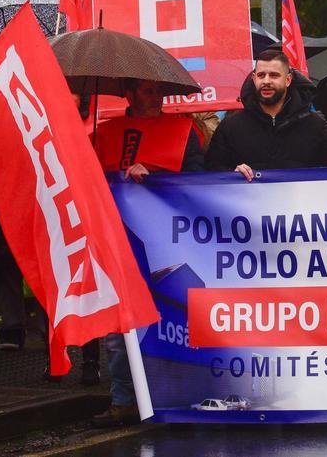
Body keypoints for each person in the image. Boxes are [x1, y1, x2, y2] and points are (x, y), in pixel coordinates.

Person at [93, 78, 204, 427]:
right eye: (147, 91)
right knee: (120, 327)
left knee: (175, 319)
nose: (155, 97)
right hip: (121, 240)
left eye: (158, 91)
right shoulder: (105, 134)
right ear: (129, 94)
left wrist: (155, 176)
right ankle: (124, 399)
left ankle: (179, 395)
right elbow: (91, 182)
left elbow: (199, 182)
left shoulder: (184, 131)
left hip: (172, 244)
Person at [206, 49, 327, 177]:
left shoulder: (315, 125)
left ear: (288, 80)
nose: (266, 81)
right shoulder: (231, 126)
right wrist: (232, 174)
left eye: (274, 75)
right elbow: (209, 171)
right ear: (254, 78)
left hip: (300, 206)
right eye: (261, 75)